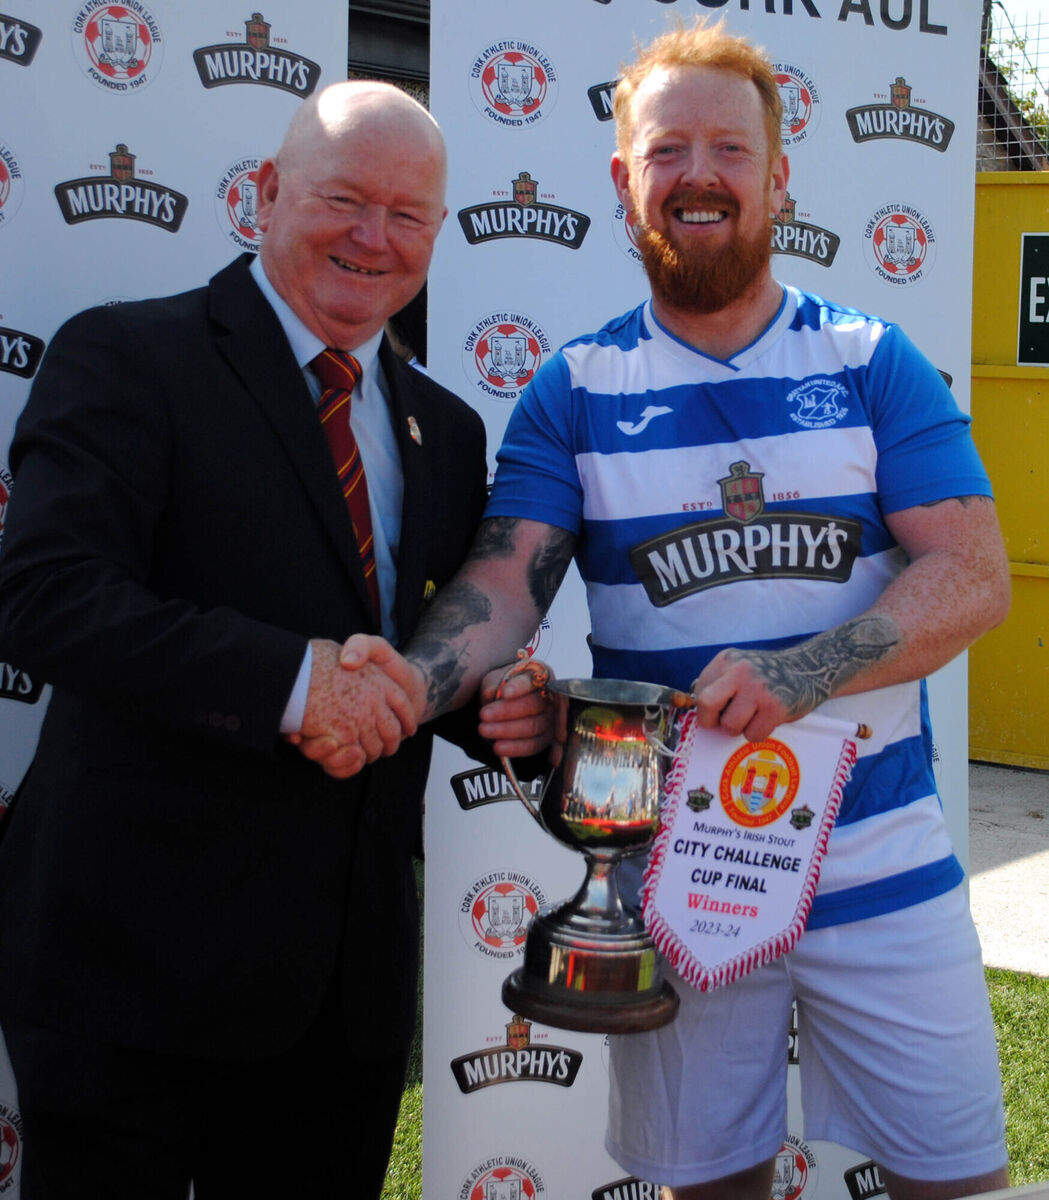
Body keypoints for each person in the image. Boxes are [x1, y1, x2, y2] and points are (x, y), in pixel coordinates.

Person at [306, 20, 1014, 1200]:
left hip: (884, 865)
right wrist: (398, 691)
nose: (698, 174)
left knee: (956, 1184)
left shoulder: (871, 358)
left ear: (776, 175)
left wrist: (801, 670)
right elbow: (497, 588)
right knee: (706, 1188)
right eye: (666, 148)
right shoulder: (573, 389)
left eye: (728, 150)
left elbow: (971, 574)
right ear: (624, 180)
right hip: (681, 876)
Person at [0, 81, 543, 1199]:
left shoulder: (445, 431)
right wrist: (291, 684)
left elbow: (409, 668)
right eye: (343, 199)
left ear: (436, 233)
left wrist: (497, 716)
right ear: (263, 194)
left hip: (338, 998)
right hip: (129, 972)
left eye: (406, 215)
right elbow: (46, 595)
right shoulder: (126, 356)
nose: (371, 237)